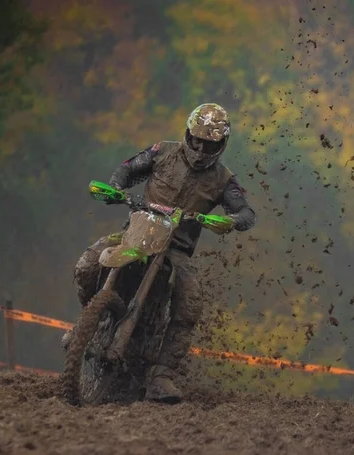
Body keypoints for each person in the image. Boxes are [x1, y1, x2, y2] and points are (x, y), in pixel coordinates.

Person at [67, 103, 256, 404]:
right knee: (87, 264)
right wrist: (116, 188)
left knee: (190, 302)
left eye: (209, 143)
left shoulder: (224, 179)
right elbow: (128, 169)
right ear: (188, 134)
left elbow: (246, 213)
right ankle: (84, 327)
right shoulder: (162, 151)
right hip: (136, 232)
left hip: (177, 250)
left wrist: (227, 221)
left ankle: (161, 375)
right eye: (196, 140)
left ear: (221, 144)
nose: (200, 147)